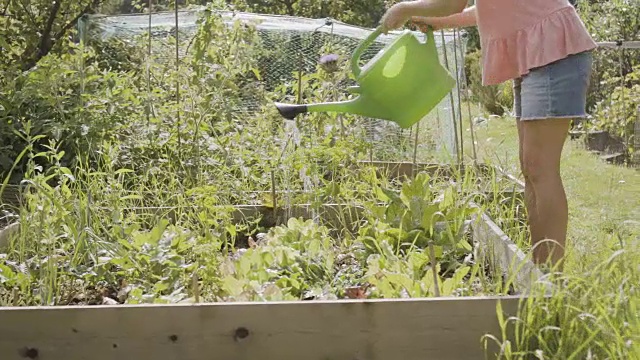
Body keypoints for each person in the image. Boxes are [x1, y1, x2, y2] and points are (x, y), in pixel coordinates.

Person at [380, 0, 597, 270]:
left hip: (554, 50)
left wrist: (403, 9)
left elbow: (451, 3)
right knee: (530, 169)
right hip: (536, 52)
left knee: (541, 169)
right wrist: (437, 22)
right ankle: (539, 272)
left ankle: (553, 277)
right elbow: (484, 9)